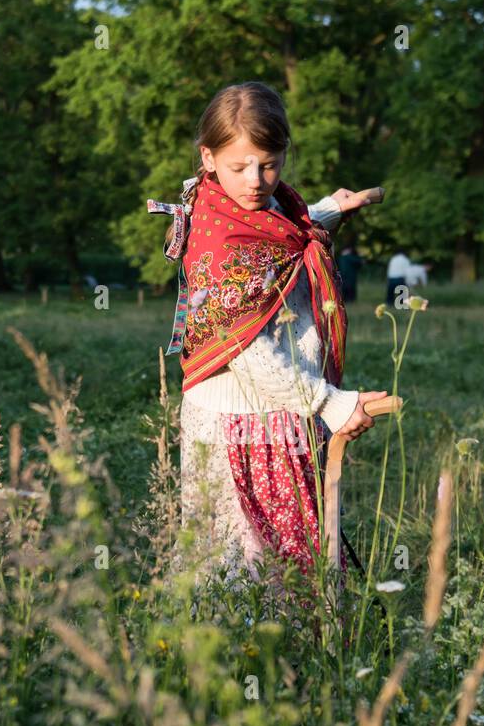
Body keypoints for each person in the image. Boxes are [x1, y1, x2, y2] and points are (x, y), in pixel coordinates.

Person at [159, 81, 385, 584]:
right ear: (208, 157)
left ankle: (292, 654)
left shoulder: (272, 206)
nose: (256, 180)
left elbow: (284, 236)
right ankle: (235, 657)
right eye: (239, 167)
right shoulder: (215, 240)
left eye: (269, 163)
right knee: (243, 552)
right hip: (237, 419)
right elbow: (250, 353)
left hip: (277, 410)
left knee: (288, 543)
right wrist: (331, 403)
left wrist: (328, 210)